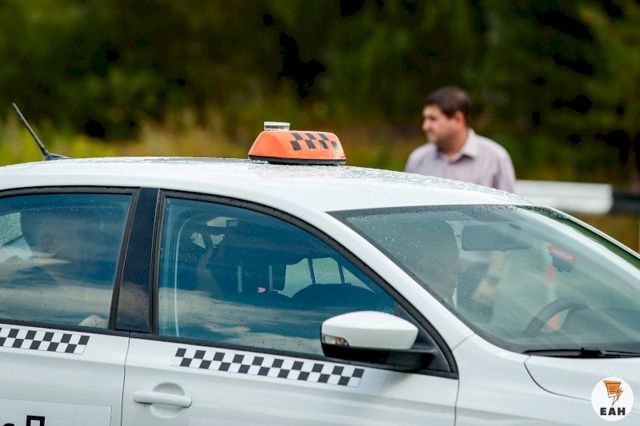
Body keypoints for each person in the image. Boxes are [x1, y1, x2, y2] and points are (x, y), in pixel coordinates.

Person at [405, 86, 516, 192]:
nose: (425, 126)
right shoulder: (418, 159)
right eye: (425, 119)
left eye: (433, 119)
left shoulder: (495, 159)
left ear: (458, 119)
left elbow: (507, 205)